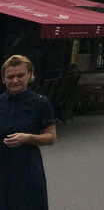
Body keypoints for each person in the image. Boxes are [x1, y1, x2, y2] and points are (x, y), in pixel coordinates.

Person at [0, 55, 55, 210]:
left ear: (30, 75)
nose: (15, 80)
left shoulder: (40, 102)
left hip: (28, 171)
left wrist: (27, 137)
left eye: (20, 75)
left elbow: (51, 137)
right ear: (3, 79)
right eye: (10, 77)